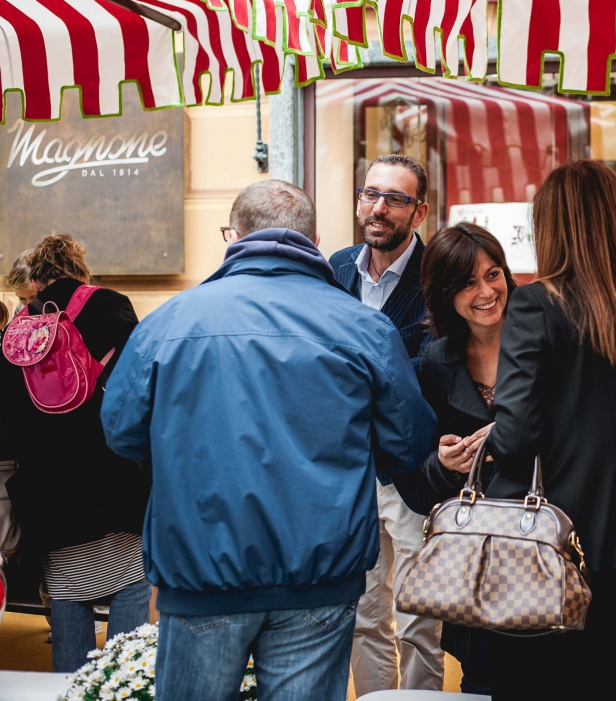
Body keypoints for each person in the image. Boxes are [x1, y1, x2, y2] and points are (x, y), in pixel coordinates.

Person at [101, 180, 436, 701]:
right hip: (320, 574)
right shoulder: (363, 326)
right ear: (314, 240)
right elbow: (409, 442)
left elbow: (121, 432)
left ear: (233, 236)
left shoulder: (170, 320)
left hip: (202, 569)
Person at [479, 160, 616, 700]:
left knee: (529, 685)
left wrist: (486, 447)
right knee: (614, 685)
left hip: (546, 540)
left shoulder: (535, 304)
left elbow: (516, 434)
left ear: (552, 226)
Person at [0, 234, 150, 673]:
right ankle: (123, 683)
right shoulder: (112, 306)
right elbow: (141, 388)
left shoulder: (20, 328)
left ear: (37, 280)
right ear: (80, 271)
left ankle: (70, 688)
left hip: (49, 494)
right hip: (116, 480)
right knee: (131, 587)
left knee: (66, 597)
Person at [330, 154, 445, 695]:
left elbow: (440, 368)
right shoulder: (334, 269)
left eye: (395, 199)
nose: (378, 208)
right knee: (362, 612)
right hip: (349, 469)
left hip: (413, 469)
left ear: (418, 212)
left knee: (421, 617)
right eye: (370, 194)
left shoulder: (438, 275)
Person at [397, 222, 517, 694]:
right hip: (476, 563)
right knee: (484, 681)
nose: (486, 292)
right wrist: (444, 465)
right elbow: (414, 478)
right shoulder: (435, 362)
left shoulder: (545, 341)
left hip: (545, 543)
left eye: (493, 274)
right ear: (445, 294)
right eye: (468, 283)